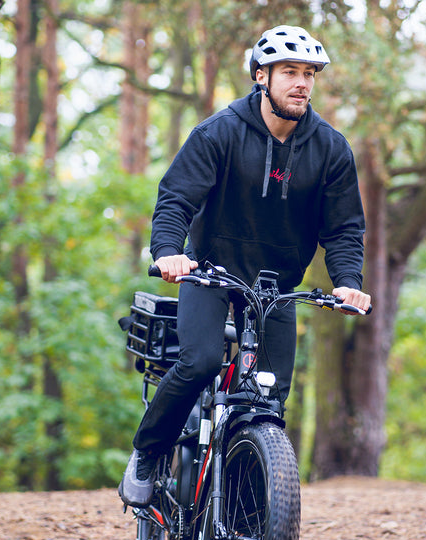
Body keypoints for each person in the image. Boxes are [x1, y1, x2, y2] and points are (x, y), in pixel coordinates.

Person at [119, 24, 371, 507]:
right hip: (211, 271)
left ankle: (249, 517)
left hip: (276, 285)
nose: (302, 83)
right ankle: (148, 454)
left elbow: (342, 229)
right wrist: (169, 252)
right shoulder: (219, 133)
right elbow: (176, 200)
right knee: (200, 361)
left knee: (270, 396)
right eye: (291, 72)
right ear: (262, 76)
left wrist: (347, 283)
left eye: (310, 74)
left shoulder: (331, 150)